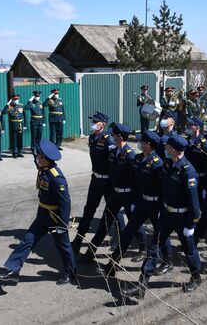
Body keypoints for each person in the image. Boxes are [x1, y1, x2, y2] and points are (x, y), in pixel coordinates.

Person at [122, 135, 203, 299]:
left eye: (166, 146)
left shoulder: (188, 172)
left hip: (182, 217)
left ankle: (196, 277)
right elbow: (164, 189)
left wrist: (191, 224)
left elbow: (195, 203)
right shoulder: (168, 163)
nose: (164, 148)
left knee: (189, 249)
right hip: (166, 214)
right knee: (154, 246)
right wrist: (162, 208)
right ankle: (141, 285)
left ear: (173, 149)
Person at [0, 140, 77, 285]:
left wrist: (63, 224)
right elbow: (37, 151)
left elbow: (65, 202)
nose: (36, 158)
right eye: (37, 156)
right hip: (42, 214)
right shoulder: (43, 168)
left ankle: (70, 272)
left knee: (63, 246)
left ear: (46, 160)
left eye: (39, 157)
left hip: (55, 217)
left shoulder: (56, 177)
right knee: (27, 240)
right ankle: (13, 270)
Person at [97, 131, 173, 277]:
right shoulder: (139, 158)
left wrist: (162, 209)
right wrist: (134, 200)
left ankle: (168, 262)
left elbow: (164, 189)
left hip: (155, 205)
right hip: (142, 203)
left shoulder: (158, 164)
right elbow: (135, 183)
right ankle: (112, 265)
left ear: (149, 145)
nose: (139, 143)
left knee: (161, 235)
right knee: (128, 232)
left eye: (142, 141)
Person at [79, 123, 146, 264]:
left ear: (120, 136)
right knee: (104, 223)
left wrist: (135, 200)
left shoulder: (130, 156)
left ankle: (143, 248)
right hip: (115, 194)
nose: (112, 136)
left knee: (135, 223)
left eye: (114, 134)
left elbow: (136, 181)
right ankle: (90, 253)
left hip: (127, 196)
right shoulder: (113, 152)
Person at [71, 112, 119, 255]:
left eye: (95, 121)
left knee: (113, 211)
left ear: (102, 125)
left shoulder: (108, 140)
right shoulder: (92, 138)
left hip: (107, 181)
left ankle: (121, 240)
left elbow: (114, 162)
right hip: (95, 179)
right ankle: (78, 239)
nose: (92, 123)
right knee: (89, 209)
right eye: (92, 120)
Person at [25, 90, 45, 155]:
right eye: (36, 96)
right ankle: (33, 149)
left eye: (39, 96)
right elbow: (26, 108)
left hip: (40, 122)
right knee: (34, 136)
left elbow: (43, 112)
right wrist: (29, 101)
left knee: (39, 136)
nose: (38, 97)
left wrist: (44, 121)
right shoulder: (31, 103)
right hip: (34, 122)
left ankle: (38, 148)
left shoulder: (40, 103)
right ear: (34, 97)